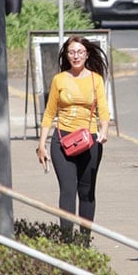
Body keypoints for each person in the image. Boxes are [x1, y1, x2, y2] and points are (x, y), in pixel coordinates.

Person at [36, 36, 110, 241]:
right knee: (67, 190)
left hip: (90, 141)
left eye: (79, 52)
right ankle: (67, 241)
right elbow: (49, 114)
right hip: (62, 141)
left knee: (87, 192)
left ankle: (84, 241)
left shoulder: (96, 80)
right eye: (71, 52)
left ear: (86, 54)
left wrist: (104, 132)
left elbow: (103, 111)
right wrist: (41, 145)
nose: (75, 56)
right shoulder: (59, 80)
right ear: (66, 55)